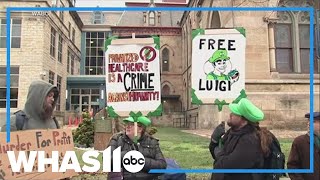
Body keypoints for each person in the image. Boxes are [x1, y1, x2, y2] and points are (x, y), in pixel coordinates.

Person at [209, 98, 276, 180]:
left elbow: (228, 165)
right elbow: (217, 159)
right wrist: (214, 141)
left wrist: (218, 152)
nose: (231, 114)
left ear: (244, 121)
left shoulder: (250, 140)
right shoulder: (232, 132)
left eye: (235, 113)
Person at [107, 116, 167, 180]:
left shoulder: (152, 142)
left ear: (140, 129)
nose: (127, 126)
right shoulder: (117, 139)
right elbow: (107, 162)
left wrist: (139, 160)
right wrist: (125, 155)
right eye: (127, 124)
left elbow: (162, 167)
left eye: (132, 124)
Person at [287, 112, 320, 180]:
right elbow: (293, 166)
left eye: (313, 122)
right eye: (308, 121)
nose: (309, 124)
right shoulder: (300, 142)